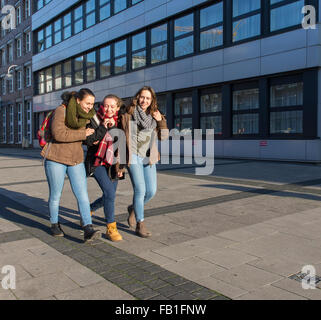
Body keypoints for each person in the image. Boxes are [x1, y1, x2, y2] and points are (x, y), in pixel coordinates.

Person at [41, 88, 101, 243]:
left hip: (76, 159)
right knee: (56, 195)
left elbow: (93, 132)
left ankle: (88, 227)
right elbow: (58, 134)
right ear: (78, 100)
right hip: (56, 158)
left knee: (82, 194)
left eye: (92, 104)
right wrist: (84, 134)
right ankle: (54, 223)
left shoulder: (87, 115)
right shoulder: (62, 110)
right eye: (88, 103)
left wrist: (94, 135)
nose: (90, 107)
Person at [121, 86, 168, 238]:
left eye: (148, 98)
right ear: (137, 97)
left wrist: (160, 121)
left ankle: (134, 209)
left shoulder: (155, 114)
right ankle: (140, 223)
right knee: (140, 190)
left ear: (152, 100)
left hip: (148, 157)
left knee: (151, 191)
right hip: (133, 155)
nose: (144, 101)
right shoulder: (129, 111)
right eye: (142, 97)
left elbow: (164, 136)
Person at [84, 94, 125, 242]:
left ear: (117, 108)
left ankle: (90, 209)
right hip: (97, 162)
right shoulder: (94, 120)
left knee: (110, 195)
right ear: (101, 106)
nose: (108, 109)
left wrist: (122, 167)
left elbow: (123, 144)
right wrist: (102, 127)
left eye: (112, 106)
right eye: (106, 105)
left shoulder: (120, 122)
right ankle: (111, 228)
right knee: (109, 193)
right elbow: (89, 140)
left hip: (113, 163)